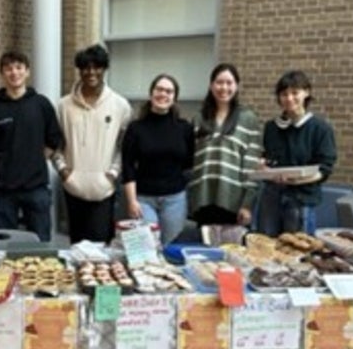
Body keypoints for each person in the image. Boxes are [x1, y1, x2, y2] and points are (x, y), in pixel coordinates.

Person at [0, 51, 63, 242]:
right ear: (2, 73)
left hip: (36, 187)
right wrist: (4, 161)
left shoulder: (41, 104)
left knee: (40, 242)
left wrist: (35, 159)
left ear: (27, 72)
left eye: (18, 68)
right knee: (1, 244)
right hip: (3, 190)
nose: (14, 73)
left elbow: (53, 139)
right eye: (8, 69)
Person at [52, 45, 132, 244]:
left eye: (97, 67)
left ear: (104, 69)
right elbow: (54, 143)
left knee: (101, 251)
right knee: (76, 247)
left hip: (104, 188)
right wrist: (63, 171)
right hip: (72, 187)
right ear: (79, 70)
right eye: (86, 68)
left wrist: (113, 174)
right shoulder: (63, 106)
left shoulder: (120, 105)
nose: (91, 72)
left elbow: (125, 147)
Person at [257, 70, 337, 235]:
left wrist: (298, 180)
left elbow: (325, 169)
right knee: (264, 246)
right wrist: (263, 165)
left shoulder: (320, 129)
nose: (289, 98)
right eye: (284, 94)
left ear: (306, 92)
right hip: (271, 197)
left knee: (297, 250)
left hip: (301, 199)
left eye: (295, 93)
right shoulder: (271, 128)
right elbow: (268, 157)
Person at [121, 74, 195, 245]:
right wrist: (131, 201)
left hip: (175, 199)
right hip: (143, 199)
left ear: (174, 98)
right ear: (151, 94)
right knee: (145, 248)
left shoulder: (184, 128)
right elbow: (128, 166)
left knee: (170, 246)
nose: (163, 94)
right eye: (159, 89)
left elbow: (188, 162)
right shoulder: (136, 128)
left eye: (169, 91)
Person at [188, 63, 262, 227]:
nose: (224, 87)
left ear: (236, 86)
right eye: (219, 82)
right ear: (211, 85)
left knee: (231, 251)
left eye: (229, 83)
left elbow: (251, 166)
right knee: (204, 251)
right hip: (202, 198)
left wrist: (247, 204)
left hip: (233, 201)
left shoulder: (248, 119)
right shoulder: (198, 118)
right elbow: (191, 162)